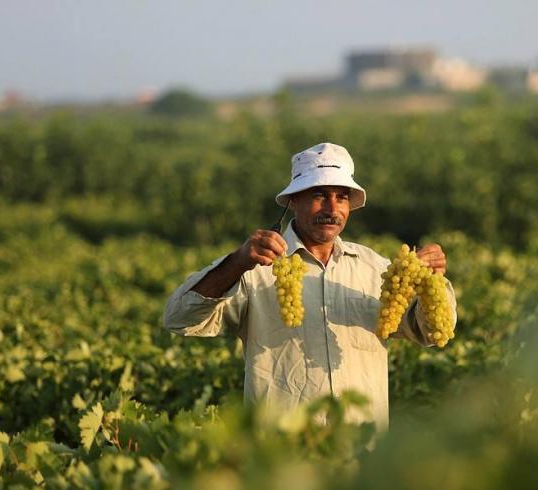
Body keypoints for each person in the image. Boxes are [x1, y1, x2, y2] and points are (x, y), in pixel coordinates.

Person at [162, 142, 456, 428]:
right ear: (293, 200)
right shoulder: (255, 269)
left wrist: (433, 282)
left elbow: (430, 333)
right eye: (319, 195)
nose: (331, 208)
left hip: (360, 450)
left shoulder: (376, 269)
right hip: (283, 454)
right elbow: (179, 319)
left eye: (341, 197)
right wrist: (236, 262)